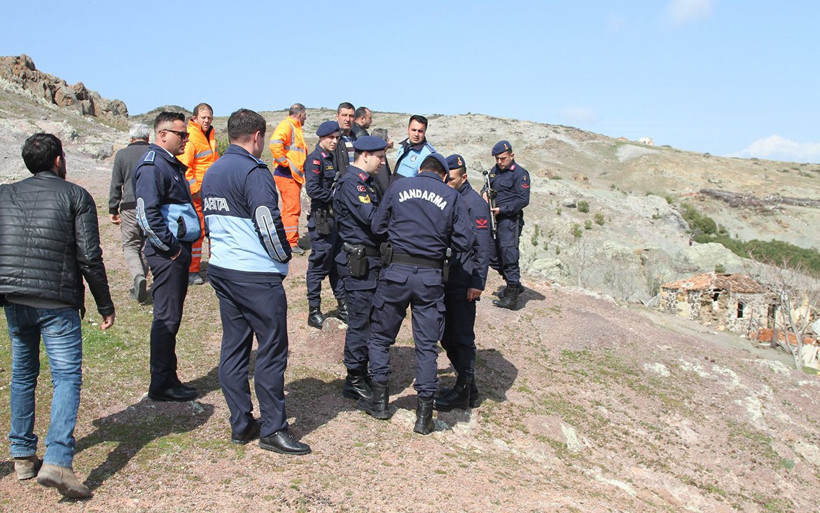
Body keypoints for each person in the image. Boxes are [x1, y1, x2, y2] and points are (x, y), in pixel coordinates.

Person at [0, 133, 115, 498]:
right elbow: (89, 256)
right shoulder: (76, 196)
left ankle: (22, 455)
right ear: (59, 160)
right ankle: (58, 460)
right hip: (57, 300)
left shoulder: (5, 194)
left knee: (23, 373)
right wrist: (105, 304)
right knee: (65, 377)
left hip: (15, 297)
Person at [201, 108, 310, 455]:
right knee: (272, 348)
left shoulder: (213, 169)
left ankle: (241, 423)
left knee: (234, 347)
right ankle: (273, 429)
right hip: (255, 274)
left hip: (223, 268)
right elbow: (266, 220)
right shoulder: (253, 170)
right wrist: (283, 256)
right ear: (258, 136)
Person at [359, 153, 474, 435]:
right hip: (430, 278)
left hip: (395, 272)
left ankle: (380, 402)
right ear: (444, 175)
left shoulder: (398, 187)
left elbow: (377, 226)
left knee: (380, 337)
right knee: (426, 345)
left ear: (421, 169)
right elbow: (465, 240)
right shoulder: (451, 196)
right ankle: (424, 417)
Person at [134, 112, 201, 402]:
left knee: (172, 317)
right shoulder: (152, 166)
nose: (186, 139)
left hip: (175, 252)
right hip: (167, 255)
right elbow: (146, 215)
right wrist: (172, 250)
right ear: (162, 135)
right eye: (181, 134)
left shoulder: (168, 163)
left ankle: (168, 378)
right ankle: (161, 384)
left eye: (187, 134)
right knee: (166, 318)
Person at [332, 135, 388, 403]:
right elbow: (374, 220)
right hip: (359, 264)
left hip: (370, 262)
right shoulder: (353, 184)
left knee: (369, 319)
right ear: (365, 155)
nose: (383, 162)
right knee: (360, 321)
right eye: (380, 157)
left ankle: (361, 371)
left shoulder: (366, 183)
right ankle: (354, 378)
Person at [433, 154, 491, 411]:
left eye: (452, 179)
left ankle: (465, 392)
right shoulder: (451, 198)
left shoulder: (475, 204)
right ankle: (469, 388)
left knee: (462, 337)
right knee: (447, 336)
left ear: (464, 177)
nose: (447, 183)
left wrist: (477, 282)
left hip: (465, 279)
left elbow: (483, 247)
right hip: (449, 277)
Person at [305, 121, 347, 329]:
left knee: (337, 264)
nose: (334, 141)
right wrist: (335, 196)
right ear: (321, 137)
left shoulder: (330, 158)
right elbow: (313, 189)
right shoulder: (315, 159)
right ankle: (314, 311)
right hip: (322, 218)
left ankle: (343, 307)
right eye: (331, 137)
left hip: (334, 219)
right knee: (318, 265)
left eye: (337, 138)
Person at [484, 140, 530, 309]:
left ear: (512, 155)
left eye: (502, 158)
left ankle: (512, 295)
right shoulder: (494, 171)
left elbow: (523, 199)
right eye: (497, 158)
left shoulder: (520, 174)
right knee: (492, 255)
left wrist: (502, 210)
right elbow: (487, 187)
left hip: (509, 220)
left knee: (508, 254)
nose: (499, 162)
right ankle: (514, 284)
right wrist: (484, 194)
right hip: (494, 219)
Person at [108, 123, 151, 303]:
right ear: (148, 137)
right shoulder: (154, 152)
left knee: (130, 245)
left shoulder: (122, 154)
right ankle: (140, 279)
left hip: (129, 206)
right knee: (148, 243)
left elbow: (116, 183)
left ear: (131, 138)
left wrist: (113, 208)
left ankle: (138, 276)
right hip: (151, 205)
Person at [179, 103, 219, 285]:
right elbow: (185, 168)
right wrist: (195, 190)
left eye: (209, 117)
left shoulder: (210, 135)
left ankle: (215, 266)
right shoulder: (190, 137)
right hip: (197, 195)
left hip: (212, 192)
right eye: (203, 117)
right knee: (197, 232)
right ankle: (192, 270)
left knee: (214, 230)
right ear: (194, 118)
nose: (207, 120)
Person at [269, 103, 308, 254]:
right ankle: (290, 243)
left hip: (290, 175)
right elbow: (275, 144)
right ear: (300, 114)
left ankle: (287, 240)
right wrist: (285, 164)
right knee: (292, 209)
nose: (305, 118)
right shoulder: (288, 125)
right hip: (287, 174)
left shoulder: (294, 127)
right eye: (305, 115)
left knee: (289, 209)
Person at [370, 127, 393, 197]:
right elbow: (384, 182)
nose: (390, 142)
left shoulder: (371, 154)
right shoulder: (379, 158)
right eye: (388, 140)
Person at [333, 102, 356, 173]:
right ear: (337, 116)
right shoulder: (331, 139)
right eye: (344, 115)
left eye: (351, 116)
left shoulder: (356, 140)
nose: (348, 119)